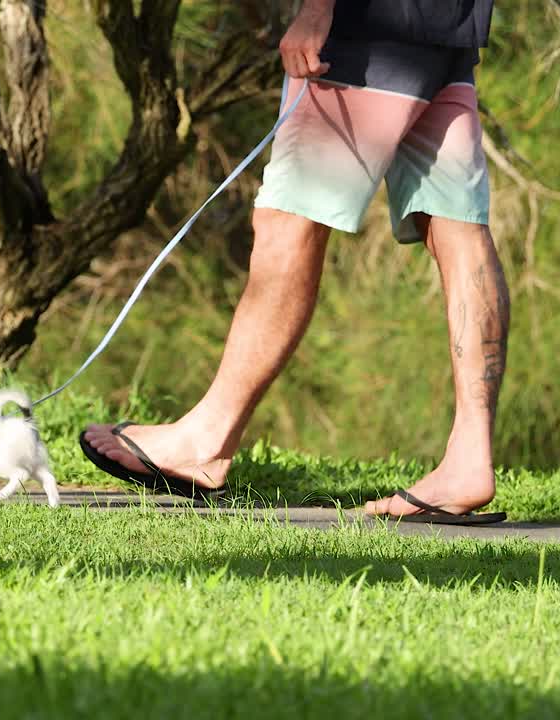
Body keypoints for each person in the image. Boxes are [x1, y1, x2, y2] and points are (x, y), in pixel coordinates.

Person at [80, 0, 508, 522]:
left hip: (370, 25)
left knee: (290, 222)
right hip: (448, 22)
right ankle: (470, 457)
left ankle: (206, 438)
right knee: (456, 225)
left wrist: (317, 8)